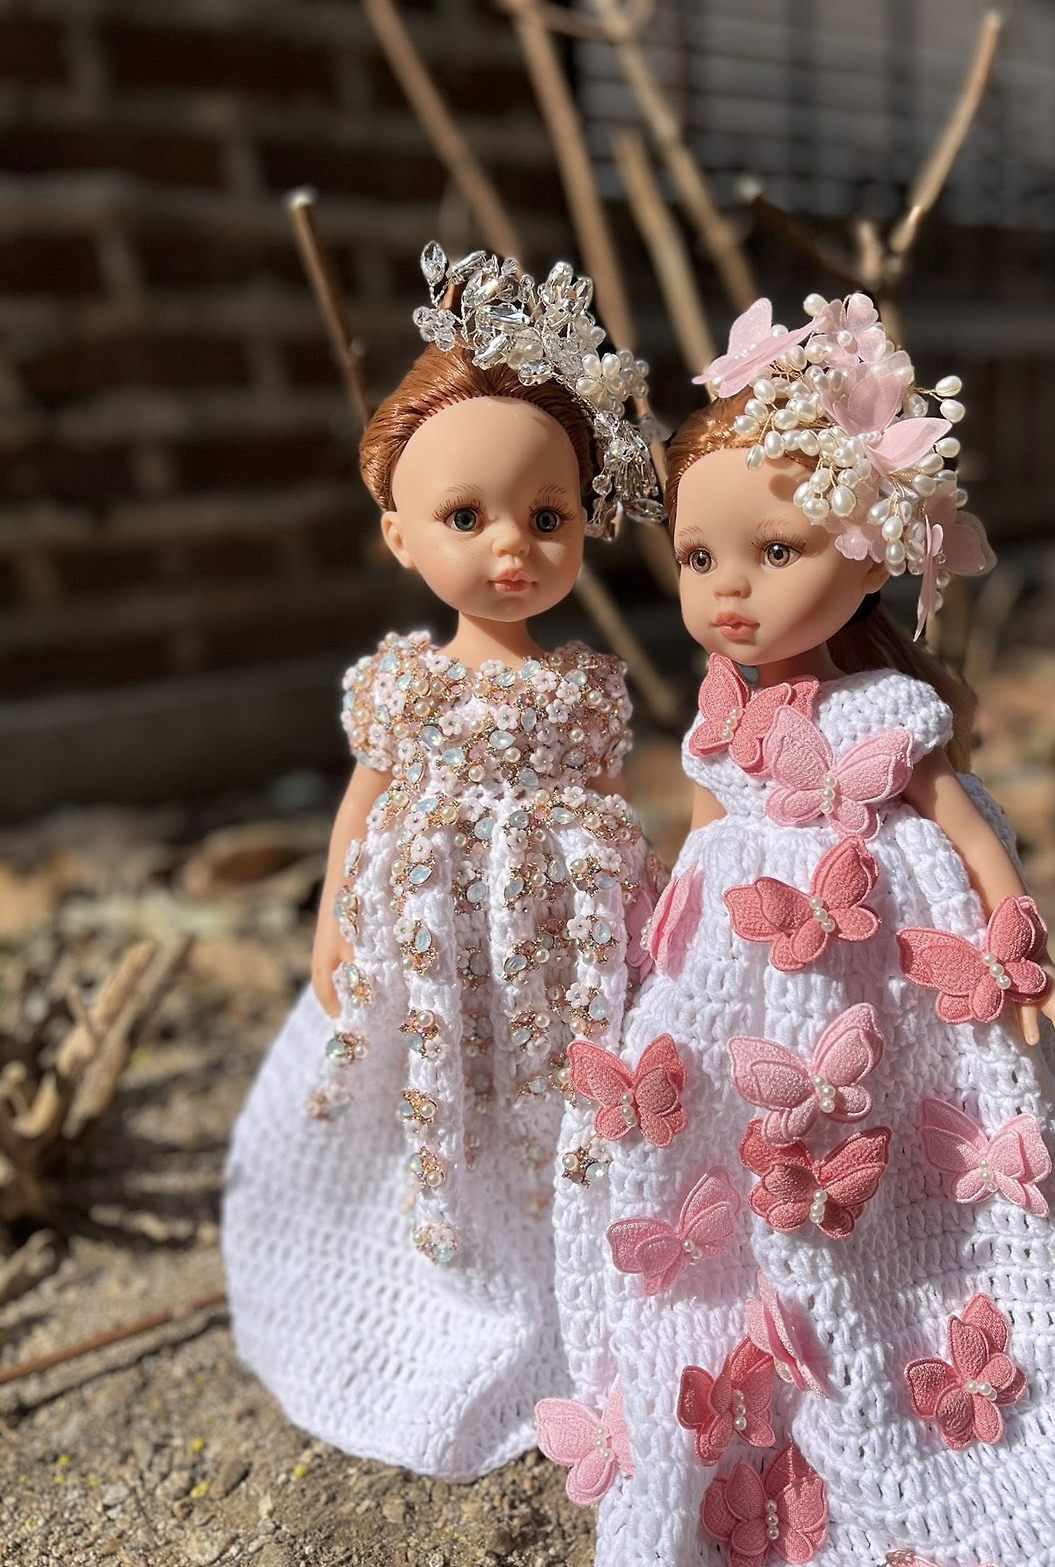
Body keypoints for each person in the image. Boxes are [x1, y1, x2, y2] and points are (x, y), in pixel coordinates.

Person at [541, 293, 1055, 1567]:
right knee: (720, 1167)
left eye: (774, 549)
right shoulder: (718, 719)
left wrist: (1025, 959)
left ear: (870, 554)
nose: (727, 588)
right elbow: (700, 847)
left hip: (885, 987)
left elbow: (970, 837)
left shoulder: (891, 713)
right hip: (733, 990)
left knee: (904, 1156)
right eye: (699, 554)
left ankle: (909, 1311)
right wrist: (646, 966)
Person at [223, 247, 664, 1481]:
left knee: (554, 1093)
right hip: (427, 937)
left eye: (546, 517)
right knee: (421, 1082)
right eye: (466, 518)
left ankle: (566, 1246)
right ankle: (429, 1247)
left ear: (582, 526)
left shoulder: (582, 687)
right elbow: (362, 800)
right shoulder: (403, 683)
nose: (511, 547)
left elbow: (612, 811)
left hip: (560, 949)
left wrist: (648, 917)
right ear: (399, 535)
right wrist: (331, 915)